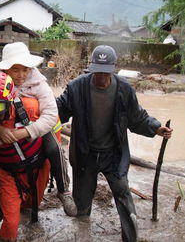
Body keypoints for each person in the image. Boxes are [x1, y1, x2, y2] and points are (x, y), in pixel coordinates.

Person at [56, 45, 173, 242]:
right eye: (97, 73)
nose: (101, 78)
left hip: (114, 154)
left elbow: (137, 118)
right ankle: (83, 234)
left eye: (106, 73)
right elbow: (56, 111)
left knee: (123, 195)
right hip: (85, 155)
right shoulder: (76, 88)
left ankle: (130, 238)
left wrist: (156, 128)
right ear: (90, 67)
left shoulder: (125, 89)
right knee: (82, 206)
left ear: (114, 68)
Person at [0, 42, 76, 218]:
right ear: (6, 69)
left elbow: (51, 114)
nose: (21, 75)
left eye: (25, 69)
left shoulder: (39, 84)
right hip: (6, 128)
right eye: (15, 70)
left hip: (36, 127)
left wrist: (26, 132)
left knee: (54, 150)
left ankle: (64, 190)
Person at [0, 69, 51, 242]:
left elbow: (51, 120)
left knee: (32, 205)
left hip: (37, 169)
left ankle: (64, 191)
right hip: (8, 174)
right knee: (11, 224)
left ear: (10, 101)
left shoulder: (30, 107)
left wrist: (26, 131)